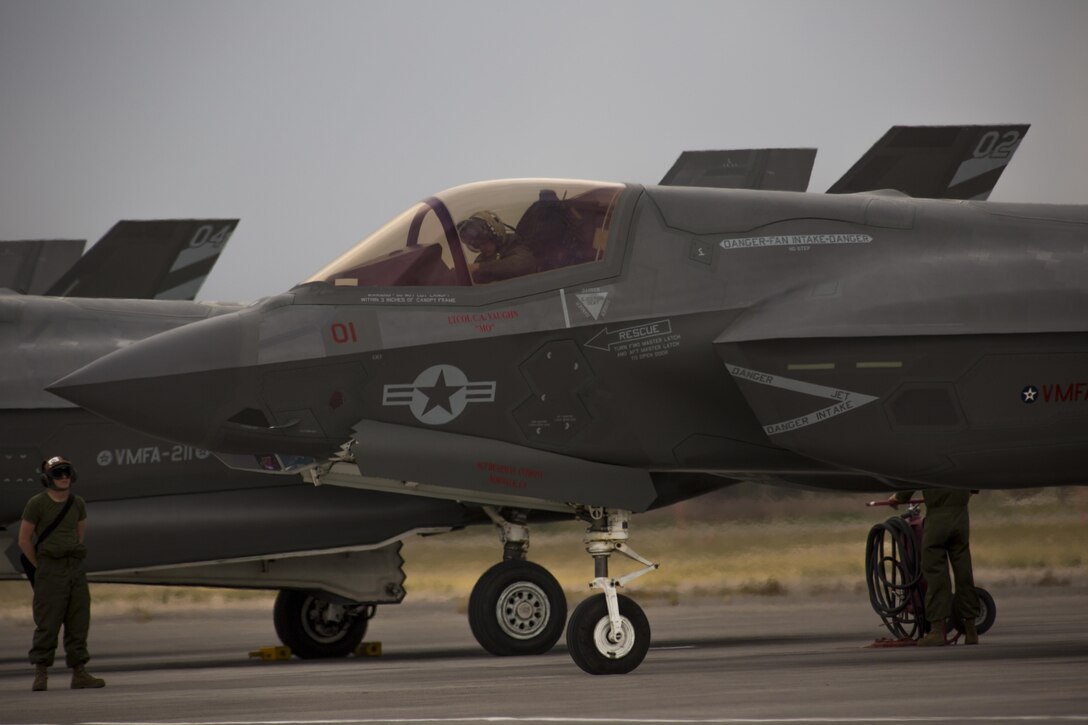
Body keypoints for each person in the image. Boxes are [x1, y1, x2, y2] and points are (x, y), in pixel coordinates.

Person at [18, 456, 105, 691]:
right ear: (48, 478)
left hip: (74, 568)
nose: (64, 477)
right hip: (50, 569)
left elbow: (79, 535)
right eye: (58, 473)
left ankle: (79, 672)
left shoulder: (77, 503)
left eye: (66, 471)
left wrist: (69, 556)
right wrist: (41, 566)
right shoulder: (36, 504)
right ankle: (41, 672)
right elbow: (24, 539)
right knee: (48, 622)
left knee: (79, 620)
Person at [887, 488, 980, 646]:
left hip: (937, 518)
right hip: (961, 518)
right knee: (964, 572)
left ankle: (937, 631)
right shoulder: (962, 463)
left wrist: (899, 497)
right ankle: (971, 630)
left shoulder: (933, 464)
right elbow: (973, 487)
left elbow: (915, 476)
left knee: (936, 575)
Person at [457, 210, 537, 283]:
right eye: (478, 245)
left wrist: (479, 267)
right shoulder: (481, 259)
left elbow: (523, 264)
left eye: (484, 243)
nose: (482, 248)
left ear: (494, 236)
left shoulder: (515, 243)